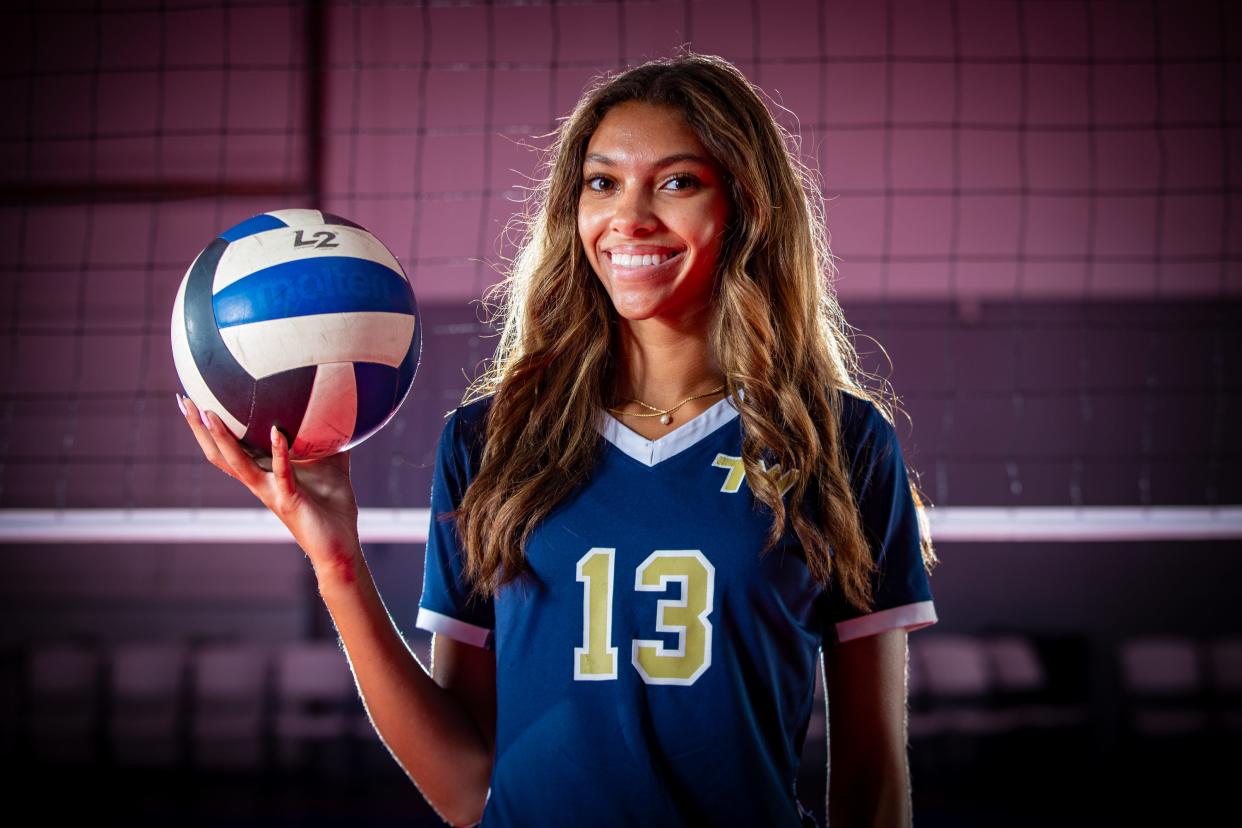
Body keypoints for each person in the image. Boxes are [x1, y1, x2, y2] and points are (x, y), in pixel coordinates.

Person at [179, 51, 939, 828]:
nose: (630, 217)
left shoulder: (838, 443)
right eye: (602, 183)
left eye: (678, 182)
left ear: (745, 207)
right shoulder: (495, 440)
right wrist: (335, 560)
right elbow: (465, 789)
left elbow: (876, 781)